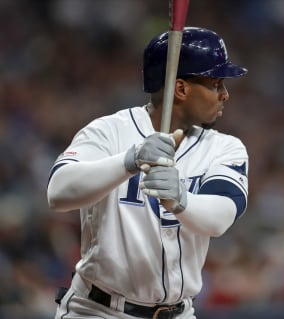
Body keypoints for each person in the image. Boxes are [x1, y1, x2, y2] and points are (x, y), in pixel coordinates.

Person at [47, 26, 249, 319]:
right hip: (98, 311)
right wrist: (129, 161)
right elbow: (58, 193)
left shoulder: (223, 147)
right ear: (181, 88)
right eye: (216, 84)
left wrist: (182, 199)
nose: (225, 95)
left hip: (179, 313)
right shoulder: (110, 132)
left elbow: (219, 218)